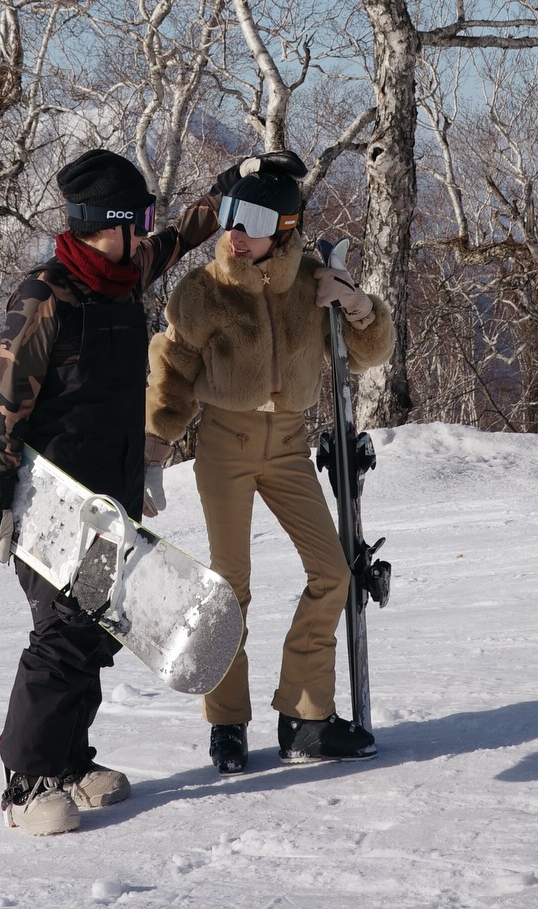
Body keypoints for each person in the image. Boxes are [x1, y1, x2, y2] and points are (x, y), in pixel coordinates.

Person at [0, 147, 221, 836]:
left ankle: (70, 762)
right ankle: (26, 783)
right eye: (137, 219)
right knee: (64, 634)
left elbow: (182, 237)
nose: (147, 231)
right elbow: (6, 403)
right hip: (46, 502)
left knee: (97, 629)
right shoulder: (44, 296)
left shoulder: (121, 277)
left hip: (106, 498)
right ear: (105, 222)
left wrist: (228, 194)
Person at [144, 150, 393, 773]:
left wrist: (357, 305)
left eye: (253, 218)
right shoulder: (202, 291)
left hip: (288, 447)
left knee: (333, 573)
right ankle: (227, 724)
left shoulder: (311, 284)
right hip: (223, 446)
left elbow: (366, 356)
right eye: (230, 213)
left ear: (285, 227)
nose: (236, 230)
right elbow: (172, 371)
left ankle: (305, 719)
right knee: (230, 590)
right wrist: (154, 448)